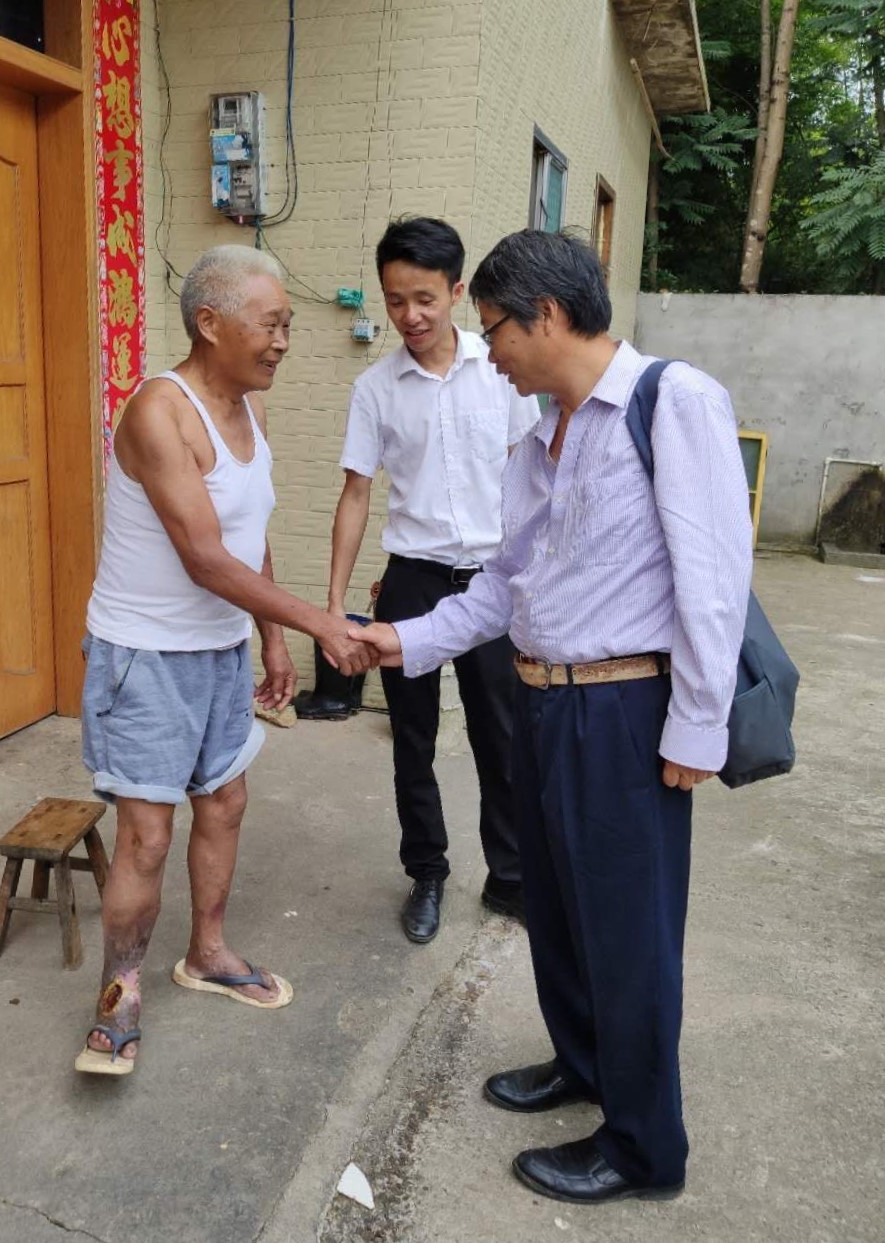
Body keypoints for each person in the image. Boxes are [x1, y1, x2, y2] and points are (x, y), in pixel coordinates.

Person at [355, 230, 753, 1202]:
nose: (487, 349)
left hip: (623, 710)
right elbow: (501, 586)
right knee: (560, 913)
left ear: (548, 315)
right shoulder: (541, 438)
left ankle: (643, 1147)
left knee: (627, 931)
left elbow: (713, 581)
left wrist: (696, 726)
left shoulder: (671, 401)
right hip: (541, 703)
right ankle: (583, 1064)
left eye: (493, 328)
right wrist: (399, 640)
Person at [76, 245, 373, 1075]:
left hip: (217, 651)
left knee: (226, 801)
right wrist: (319, 623)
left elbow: (248, 534)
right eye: (270, 324)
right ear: (209, 323)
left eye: (287, 326)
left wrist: (270, 636)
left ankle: (205, 952)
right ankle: (117, 999)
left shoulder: (249, 409)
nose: (283, 341)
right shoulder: (157, 413)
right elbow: (205, 558)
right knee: (145, 836)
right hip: (145, 655)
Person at [328, 217, 540, 944]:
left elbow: (528, 474)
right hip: (413, 581)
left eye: (423, 298)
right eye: (395, 300)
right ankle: (426, 872)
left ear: (455, 291)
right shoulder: (375, 388)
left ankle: (509, 876)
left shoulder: (501, 370)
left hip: (492, 583)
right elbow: (356, 493)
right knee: (411, 739)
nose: (409, 316)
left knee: (500, 735)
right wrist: (336, 606)